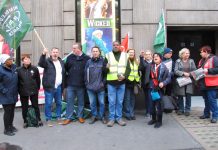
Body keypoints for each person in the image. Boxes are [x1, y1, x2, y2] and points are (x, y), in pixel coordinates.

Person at [62, 43, 90, 125]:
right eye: (72, 48)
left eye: (74, 48)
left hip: (81, 85)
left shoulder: (86, 58)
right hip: (71, 84)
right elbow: (66, 69)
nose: (73, 50)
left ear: (79, 49)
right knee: (69, 101)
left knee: (81, 102)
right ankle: (68, 117)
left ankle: (80, 116)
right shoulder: (70, 57)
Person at [105, 41, 130, 127]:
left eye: (117, 45)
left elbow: (128, 69)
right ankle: (112, 119)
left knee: (119, 102)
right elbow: (104, 71)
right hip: (111, 83)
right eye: (114, 45)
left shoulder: (125, 55)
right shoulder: (107, 55)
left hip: (121, 82)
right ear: (112, 46)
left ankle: (119, 118)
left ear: (120, 46)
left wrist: (125, 76)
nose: (115, 46)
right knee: (112, 102)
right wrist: (106, 68)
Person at [38, 48, 65, 127]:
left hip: (59, 87)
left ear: (58, 53)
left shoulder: (61, 62)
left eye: (56, 52)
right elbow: (40, 63)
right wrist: (43, 54)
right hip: (49, 87)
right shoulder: (47, 61)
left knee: (59, 103)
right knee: (48, 104)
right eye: (53, 52)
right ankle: (48, 119)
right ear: (51, 53)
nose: (55, 54)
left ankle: (58, 117)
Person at [17, 54, 43, 128]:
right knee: (24, 107)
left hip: (33, 91)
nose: (27, 60)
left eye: (28, 58)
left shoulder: (34, 68)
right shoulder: (19, 70)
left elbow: (38, 80)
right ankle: (25, 121)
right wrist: (20, 91)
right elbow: (17, 82)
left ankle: (38, 119)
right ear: (22, 61)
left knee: (35, 106)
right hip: (23, 92)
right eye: (25, 59)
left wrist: (36, 89)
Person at [84, 46, 107, 124]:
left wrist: (103, 84)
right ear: (91, 52)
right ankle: (94, 116)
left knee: (102, 103)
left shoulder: (103, 61)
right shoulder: (88, 62)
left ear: (99, 52)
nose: (95, 52)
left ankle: (102, 116)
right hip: (90, 87)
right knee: (92, 103)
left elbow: (106, 74)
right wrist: (87, 84)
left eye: (96, 51)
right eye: (93, 51)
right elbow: (85, 74)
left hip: (100, 87)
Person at [147, 53, 171, 128]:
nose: (155, 57)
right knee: (151, 105)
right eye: (154, 56)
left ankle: (159, 121)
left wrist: (163, 83)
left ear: (160, 58)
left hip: (159, 89)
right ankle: (153, 119)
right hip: (151, 88)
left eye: (157, 56)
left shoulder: (164, 67)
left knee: (159, 105)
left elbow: (168, 78)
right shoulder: (150, 66)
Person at [198, 45, 218, 123]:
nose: (200, 53)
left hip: (212, 84)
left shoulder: (214, 58)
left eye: (201, 52)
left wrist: (208, 70)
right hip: (203, 83)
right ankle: (206, 114)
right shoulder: (202, 60)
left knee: (212, 100)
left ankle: (215, 116)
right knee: (206, 100)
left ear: (206, 52)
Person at [174, 48, 196, 116]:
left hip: (189, 80)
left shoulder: (191, 61)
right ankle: (181, 109)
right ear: (182, 54)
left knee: (188, 95)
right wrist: (183, 73)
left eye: (188, 53)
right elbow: (175, 71)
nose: (188, 55)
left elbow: (195, 70)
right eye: (186, 53)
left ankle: (187, 109)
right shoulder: (178, 61)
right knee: (180, 95)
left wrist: (189, 74)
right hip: (181, 80)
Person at [0, 54, 18, 136]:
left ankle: (10, 126)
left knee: (12, 112)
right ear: (4, 62)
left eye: (11, 59)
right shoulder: (1, 70)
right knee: (7, 112)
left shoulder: (14, 67)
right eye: (9, 60)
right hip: (6, 95)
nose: (11, 61)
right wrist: (4, 90)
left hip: (13, 94)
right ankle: (6, 129)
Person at [123, 49, 140, 120]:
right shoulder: (125, 61)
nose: (131, 53)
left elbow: (138, 71)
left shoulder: (136, 61)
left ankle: (131, 113)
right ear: (127, 53)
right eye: (130, 52)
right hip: (127, 82)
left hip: (134, 83)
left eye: (133, 52)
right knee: (127, 99)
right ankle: (127, 114)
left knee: (132, 99)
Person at [139, 49, 153, 116]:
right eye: (146, 54)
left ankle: (150, 112)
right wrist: (141, 58)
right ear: (145, 55)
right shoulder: (143, 62)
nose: (148, 55)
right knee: (147, 98)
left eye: (149, 54)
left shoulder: (154, 62)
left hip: (152, 83)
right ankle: (148, 111)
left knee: (151, 97)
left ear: (151, 55)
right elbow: (141, 68)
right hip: (145, 83)